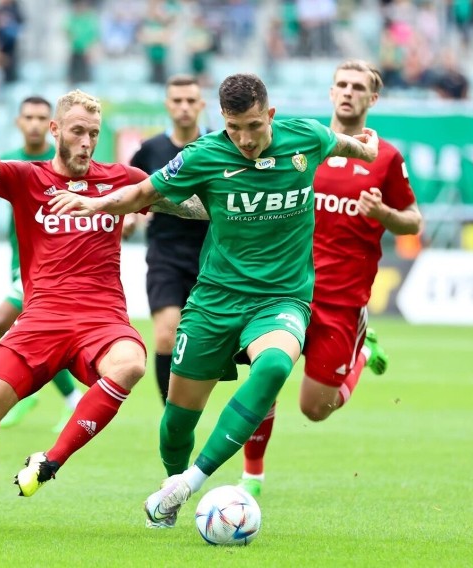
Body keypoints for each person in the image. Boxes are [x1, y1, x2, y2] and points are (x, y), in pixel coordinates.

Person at [50, 72, 380, 528]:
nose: (244, 139)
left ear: (271, 115)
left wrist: (368, 147)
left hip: (281, 298)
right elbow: (145, 192)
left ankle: (195, 479)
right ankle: (172, 491)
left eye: (253, 126)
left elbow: (347, 145)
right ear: (221, 120)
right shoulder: (204, 155)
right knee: (175, 425)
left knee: (275, 365)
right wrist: (97, 205)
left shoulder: (305, 137)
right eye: (234, 128)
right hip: (214, 302)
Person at [0, 75, 207, 531]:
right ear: (56, 131)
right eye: (78, 131)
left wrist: (222, 198)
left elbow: (192, 206)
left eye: (94, 134)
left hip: (102, 320)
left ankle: (50, 462)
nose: (87, 142)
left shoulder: (122, 182)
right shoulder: (27, 177)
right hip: (40, 319)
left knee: (131, 364)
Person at [238, 60, 423, 497]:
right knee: (264, 376)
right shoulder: (304, 145)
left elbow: (413, 222)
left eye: (358, 87)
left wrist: (384, 215)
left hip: (342, 300)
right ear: (330, 92)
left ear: (372, 99)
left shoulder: (386, 159)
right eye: (341, 84)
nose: (348, 92)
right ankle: (252, 476)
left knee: (314, 409)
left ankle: (360, 354)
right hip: (286, 290)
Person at [0, 95, 82, 430]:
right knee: (28, 331)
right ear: (19, 123)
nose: (34, 124)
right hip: (20, 262)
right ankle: (55, 395)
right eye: (28, 117)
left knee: (4, 318)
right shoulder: (9, 163)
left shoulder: (62, 162)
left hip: (53, 265)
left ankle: (53, 395)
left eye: (40, 118)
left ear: (52, 126)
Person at [128, 74, 209, 404]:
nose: (184, 107)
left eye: (191, 101)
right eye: (178, 100)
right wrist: (131, 218)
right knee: (166, 336)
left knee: (216, 344)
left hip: (211, 256)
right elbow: (133, 193)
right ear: (167, 105)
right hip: (165, 255)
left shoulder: (216, 147)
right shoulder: (150, 151)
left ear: (201, 105)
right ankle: (171, 416)